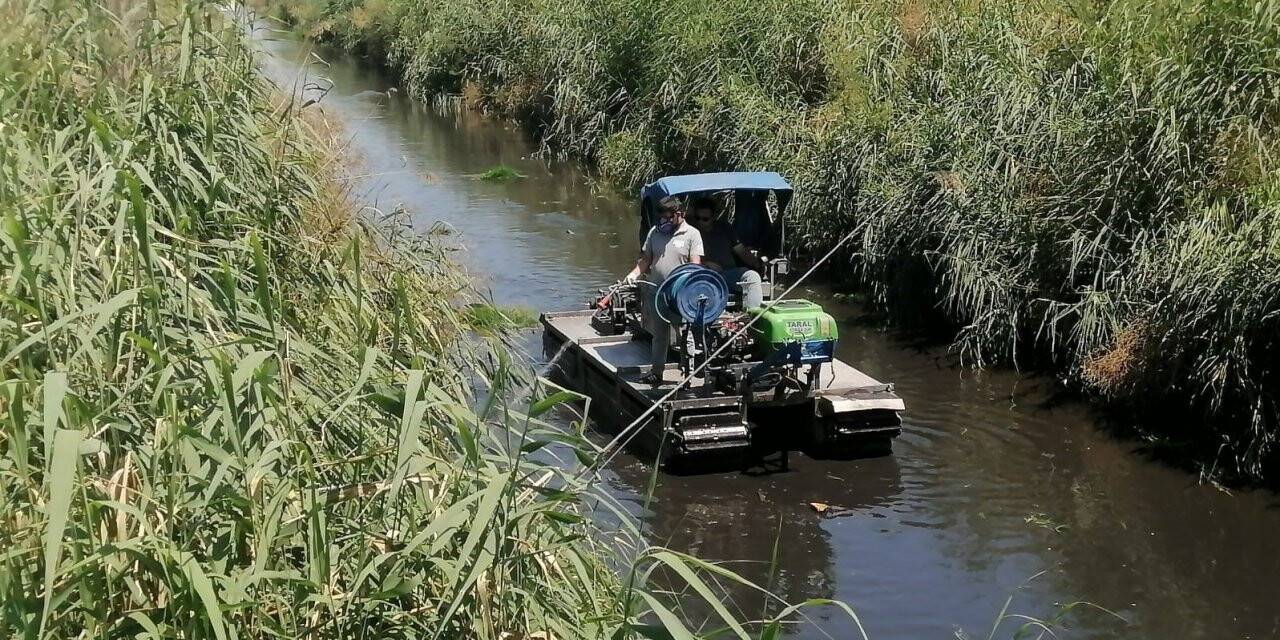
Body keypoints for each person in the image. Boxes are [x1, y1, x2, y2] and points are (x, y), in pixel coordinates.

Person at [622, 196, 703, 385]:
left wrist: (686, 291)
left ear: (679, 215)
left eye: (667, 217)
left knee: (685, 336)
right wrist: (633, 274)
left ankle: (687, 376)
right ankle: (656, 373)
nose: (663, 221)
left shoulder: (692, 235)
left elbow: (695, 266)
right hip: (657, 294)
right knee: (659, 336)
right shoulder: (655, 233)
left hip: (679, 297)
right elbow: (646, 260)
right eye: (661, 217)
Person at [688, 197, 765, 310]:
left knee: (752, 276)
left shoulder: (725, 228)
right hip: (705, 277)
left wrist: (757, 263)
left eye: (705, 219)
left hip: (728, 274)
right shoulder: (690, 232)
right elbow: (682, 257)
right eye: (697, 218)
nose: (700, 222)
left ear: (713, 217)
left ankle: (753, 317)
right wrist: (706, 264)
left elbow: (740, 250)